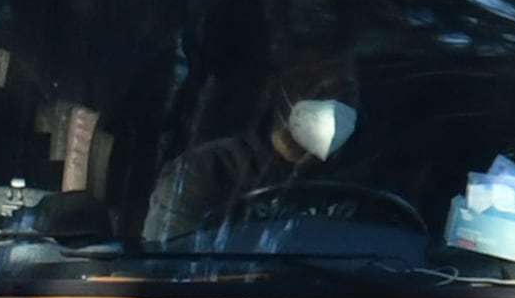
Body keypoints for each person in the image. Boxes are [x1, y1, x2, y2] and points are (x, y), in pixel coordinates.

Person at [144, 55, 362, 243]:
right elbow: (168, 269)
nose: (331, 103)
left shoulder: (368, 178)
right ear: (276, 91)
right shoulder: (205, 173)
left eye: (344, 89)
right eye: (310, 85)